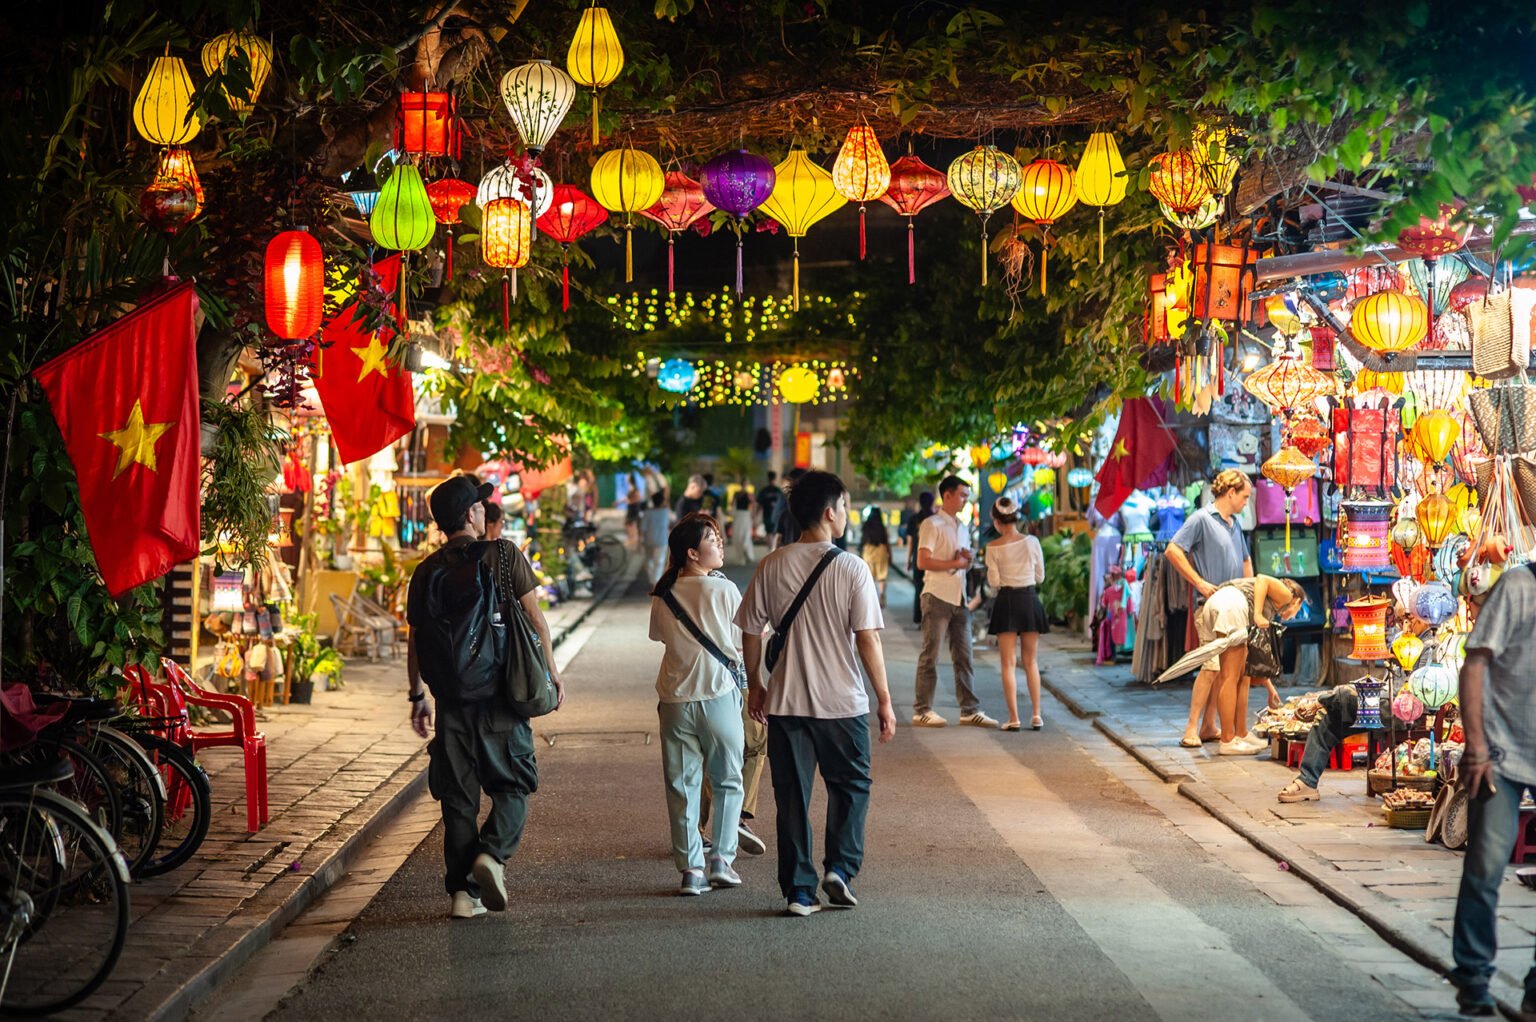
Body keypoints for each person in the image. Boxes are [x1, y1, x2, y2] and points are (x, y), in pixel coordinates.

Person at [738, 470, 896, 917]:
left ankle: (799, 893)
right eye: (844, 506)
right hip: (842, 704)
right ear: (830, 513)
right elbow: (868, 639)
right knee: (851, 786)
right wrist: (884, 698)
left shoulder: (772, 564)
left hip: (786, 704)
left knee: (792, 796)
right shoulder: (851, 567)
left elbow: (751, 630)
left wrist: (756, 685)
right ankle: (840, 870)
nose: (847, 515)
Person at [406, 475, 563, 920]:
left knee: (458, 800)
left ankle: (461, 895)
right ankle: (490, 857)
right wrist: (551, 673)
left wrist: (417, 695)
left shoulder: (426, 572)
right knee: (514, 786)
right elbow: (536, 620)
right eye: (479, 506)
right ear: (473, 515)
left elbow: (415, 640)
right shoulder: (504, 554)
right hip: (500, 700)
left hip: (451, 704)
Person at [1449, 563, 1536, 1019]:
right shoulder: (1520, 585)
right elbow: (1475, 662)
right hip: (1503, 751)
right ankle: (1474, 976)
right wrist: (1477, 747)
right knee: (1485, 865)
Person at [648, 513, 747, 896]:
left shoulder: (664, 594)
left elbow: (659, 636)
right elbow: (742, 640)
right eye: (713, 539)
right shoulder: (724, 591)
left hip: (675, 701)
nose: (720, 544)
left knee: (682, 787)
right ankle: (722, 860)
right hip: (718, 696)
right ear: (692, 552)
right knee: (727, 780)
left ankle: (691, 870)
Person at [1161, 574, 1306, 755]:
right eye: (1299, 610)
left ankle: (1241, 733)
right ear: (1297, 601)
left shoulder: (1272, 604)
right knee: (1229, 676)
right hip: (1231, 606)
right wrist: (1259, 614)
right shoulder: (1285, 594)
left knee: (1242, 675)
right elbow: (1263, 579)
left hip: (1216, 605)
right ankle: (1228, 740)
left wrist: (1269, 688)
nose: (1294, 616)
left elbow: (1252, 664)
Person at [1166, 469, 1255, 748]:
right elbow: (1173, 550)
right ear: (1230, 493)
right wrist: (1200, 583)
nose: (1246, 503)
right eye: (1244, 496)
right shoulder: (1202, 519)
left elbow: (1245, 562)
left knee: (1227, 671)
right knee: (1210, 666)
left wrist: (1251, 599)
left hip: (1235, 606)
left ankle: (1208, 725)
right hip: (1211, 605)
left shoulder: (1234, 524)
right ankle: (1191, 727)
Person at [912, 476, 997, 728]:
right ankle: (922, 709)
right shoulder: (932, 524)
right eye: (962, 495)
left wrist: (964, 559)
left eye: (967, 495)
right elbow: (923, 561)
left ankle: (969, 709)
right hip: (936, 594)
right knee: (931, 654)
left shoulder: (962, 526)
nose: (966, 500)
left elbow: (958, 562)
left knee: (964, 655)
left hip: (959, 596)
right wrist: (956, 563)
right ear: (946, 495)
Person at [985, 498, 1048, 731]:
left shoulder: (992, 548)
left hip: (1007, 601)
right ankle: (1036, 715)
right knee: (1031, 661)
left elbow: (994, 582)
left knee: (1008, 663)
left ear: (996, 521)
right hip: (1030, 599)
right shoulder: (1032, 542)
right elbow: (1040, 576)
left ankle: (1013, 718)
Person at [906, 492, 936, 625]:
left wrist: (908, 560)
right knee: (932, 589)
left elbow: (910, 541)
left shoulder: (914, 518)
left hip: (917, 558)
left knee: (919, 588)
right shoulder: (935, 518)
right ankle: (929, 617)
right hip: (933, 559)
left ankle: (919, 617)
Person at [859, 507, 891, 606]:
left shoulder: (866, 526)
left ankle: (871, 597)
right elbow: (887, 542)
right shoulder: (882, 527)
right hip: (881, 551)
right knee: (882, 576)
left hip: (868, 552)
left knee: (870, 577)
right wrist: (890, 554)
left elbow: (863, 540)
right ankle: (881, 594)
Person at [641, 492, 672, 586]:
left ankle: (652, 580)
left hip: (649, 540)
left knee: (649, 560)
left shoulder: (647, 512)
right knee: (659, 562)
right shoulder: (666, 512)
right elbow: (672, 522)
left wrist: (640, 540)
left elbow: (643, 528)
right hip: (662, 540)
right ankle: (656, 581)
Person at [758, 471, 785, 552]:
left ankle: (771, 549)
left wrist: (756, 515)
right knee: (774, 533)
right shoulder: (778, 491)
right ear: (775, 478)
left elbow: (759, 504)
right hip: (777, 516)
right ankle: (773, 549)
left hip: (767, 514)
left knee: (769, 532)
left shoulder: (764, 491)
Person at [731, 486, 756, 565]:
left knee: (739, 535)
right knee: (745, 535)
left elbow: (732, 504)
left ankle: (742, 554)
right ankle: (746, 552)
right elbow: (753, 504)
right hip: (745, 515)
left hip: (739, 515)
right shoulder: (749, 494)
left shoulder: (737, 494)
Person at [623, 468, 646, 548]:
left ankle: (633, 540)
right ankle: (632, 540)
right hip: (632, 507)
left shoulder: (633, 488)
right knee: (629, 524)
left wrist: (631, 501)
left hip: (633, 507)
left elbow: (638, 498)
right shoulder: (632, 487)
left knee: (631, 524)